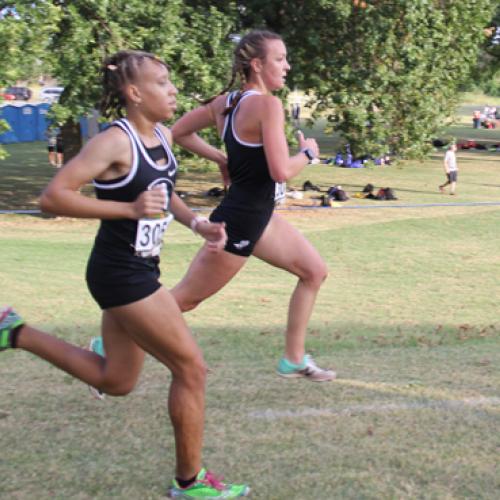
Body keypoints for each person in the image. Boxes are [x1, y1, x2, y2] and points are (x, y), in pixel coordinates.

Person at [0, 50, 250, 499]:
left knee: (116, 381)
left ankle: (16, 333)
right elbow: (53, 197)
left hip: (137, 269)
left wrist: (197, 224)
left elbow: (163, 193)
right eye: (161, 82)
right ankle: (190, 483)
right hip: (121, 275)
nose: (172, 90)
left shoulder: (160, 135)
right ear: (135, 93)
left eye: (170, 81)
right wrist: (127, 208)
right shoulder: (114, 142)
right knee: (191, 369)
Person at [170, 30, 335, 382]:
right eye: (280, 59)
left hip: (259, 216)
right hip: (240, 223)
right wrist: (308, 154)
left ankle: (293, 358)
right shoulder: (267, 105)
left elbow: (179, 132)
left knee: (314, 271)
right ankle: (108, 342)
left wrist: (221, 157)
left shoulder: (225, 102)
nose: (287, 66)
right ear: (257, 65)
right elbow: (280, 171)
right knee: (184, 300)